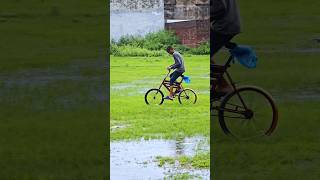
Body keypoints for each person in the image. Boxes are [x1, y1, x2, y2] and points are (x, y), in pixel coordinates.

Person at [210, 0, 241, 95]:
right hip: (228, 24)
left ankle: (223, 85)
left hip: (225, 26)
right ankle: (218, 82)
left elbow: (220, 8)